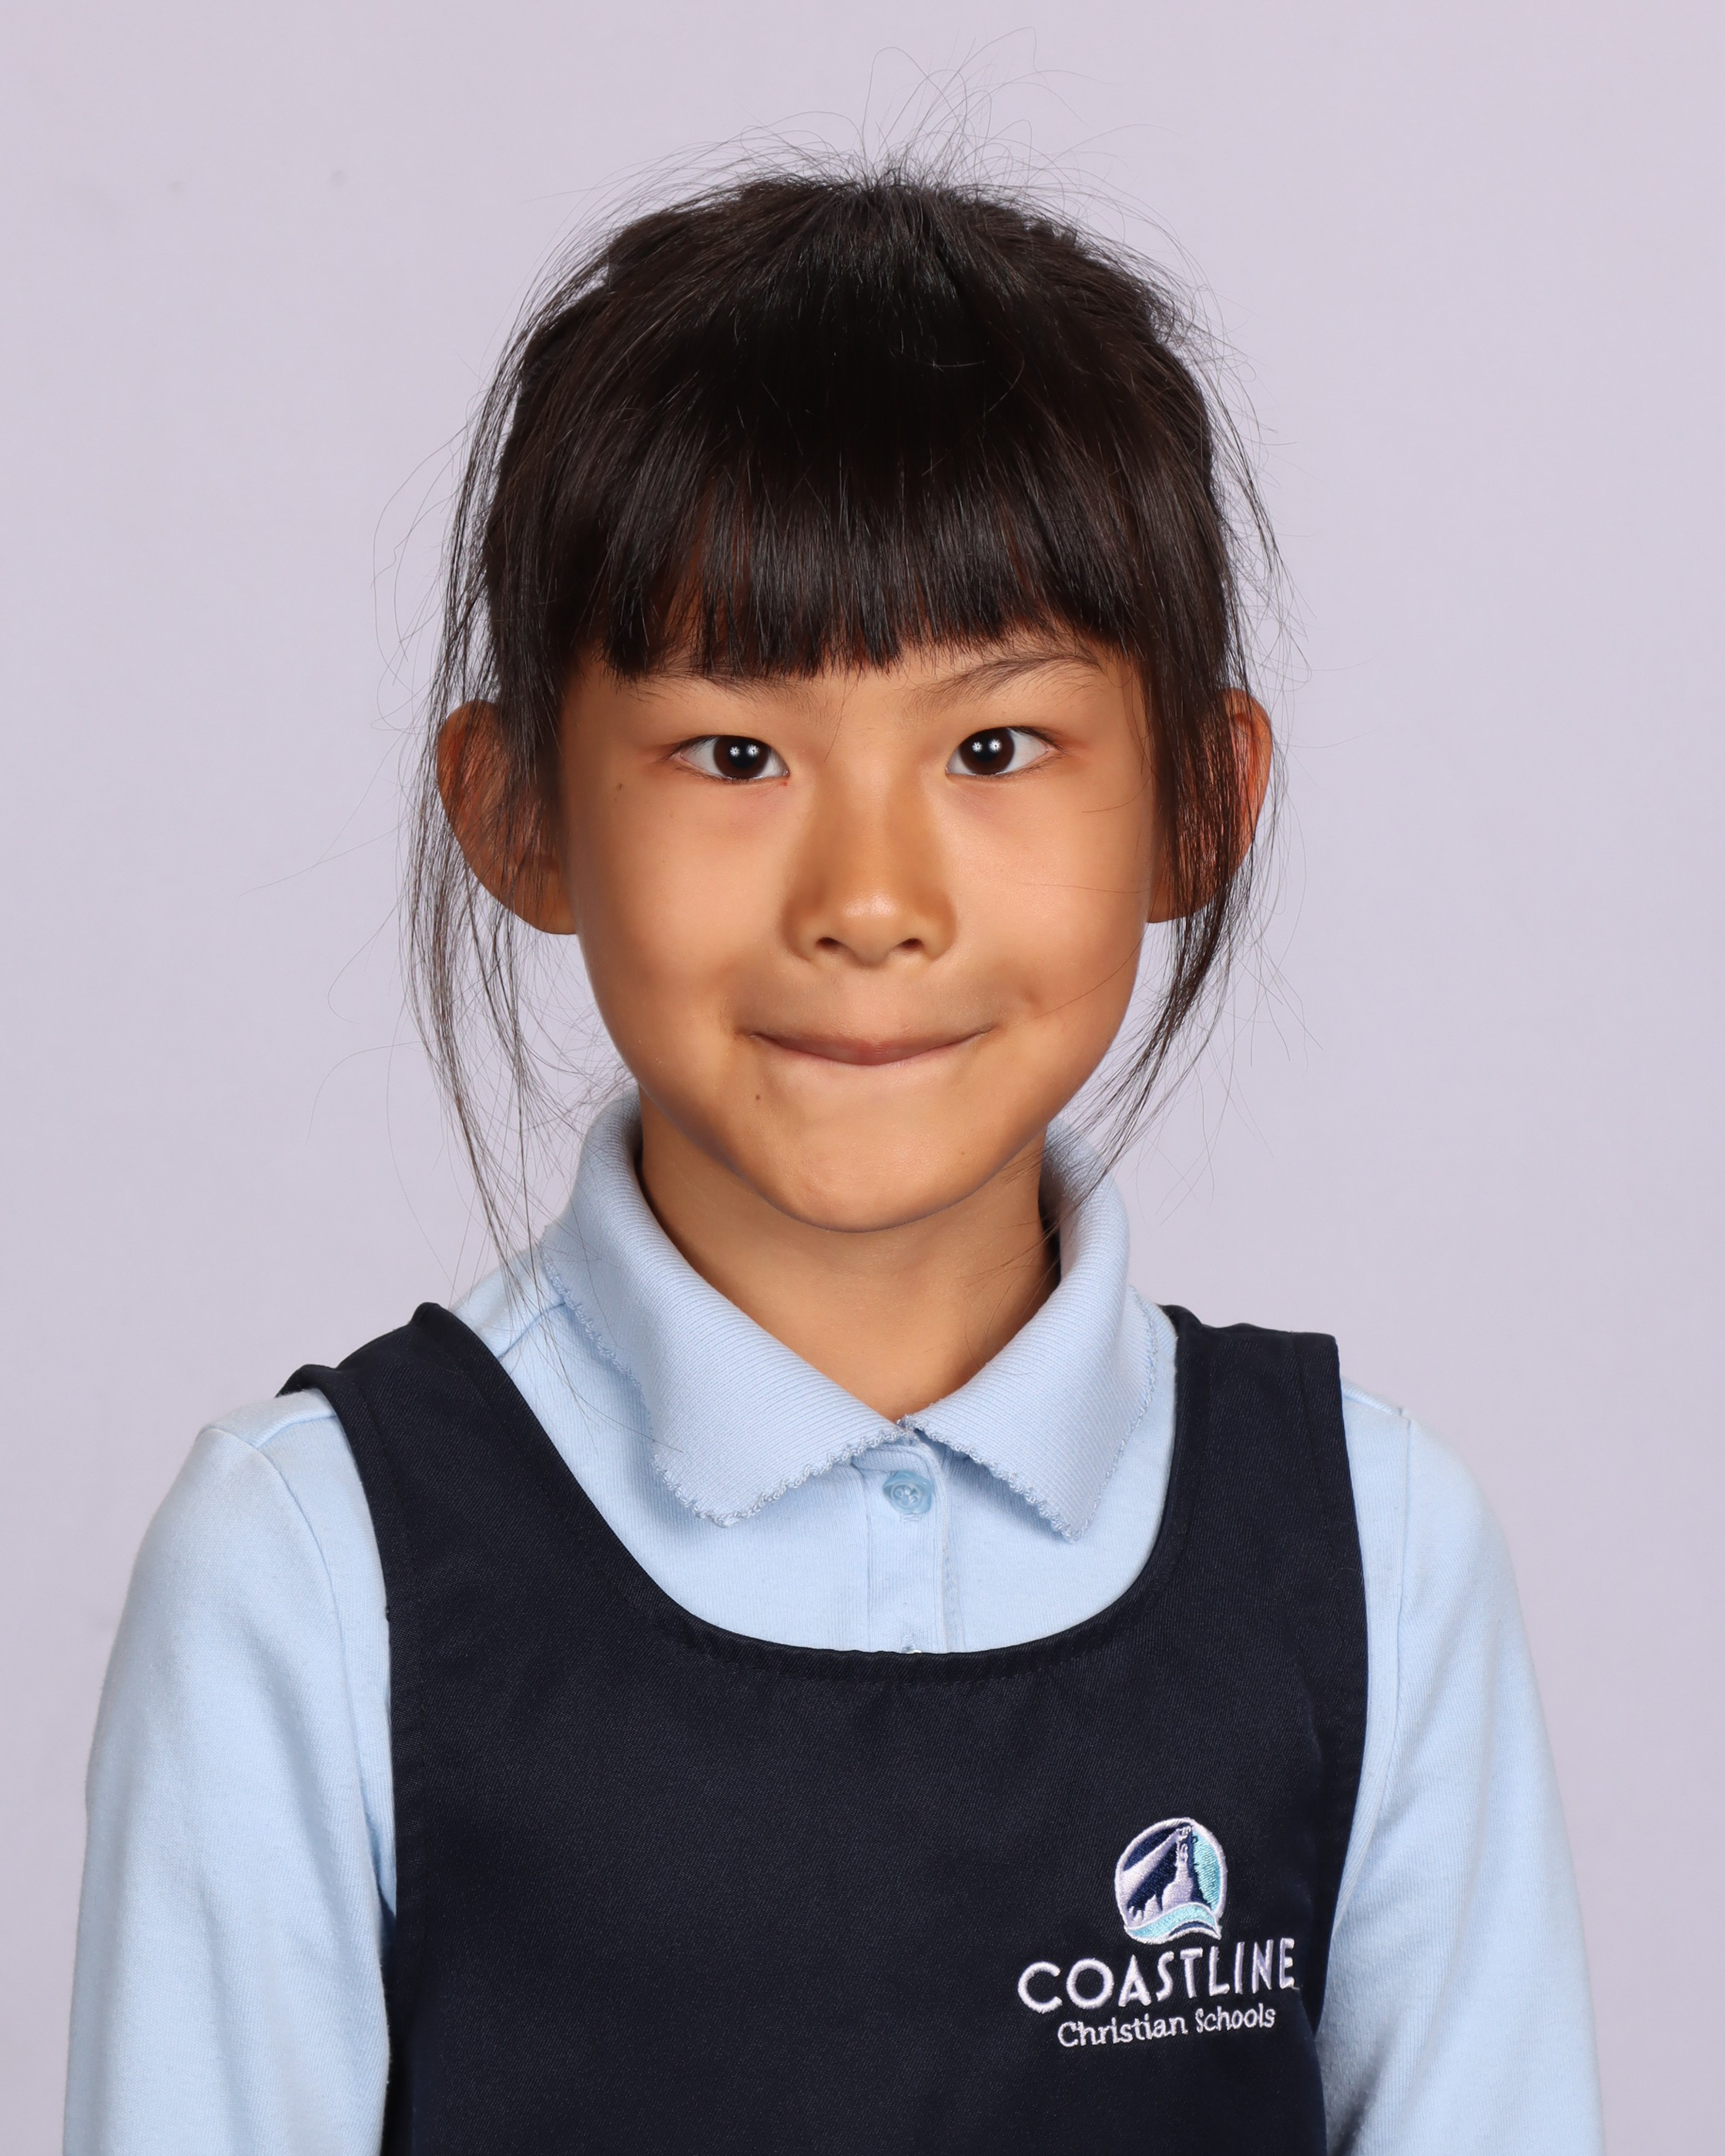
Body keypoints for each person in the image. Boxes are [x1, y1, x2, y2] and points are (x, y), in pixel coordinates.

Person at [63, 166, 1604, 2154]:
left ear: (1197, 805)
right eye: (735, 754)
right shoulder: (307, 1570)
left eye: (994, 749)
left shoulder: (1374, 1554)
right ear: (517, 811)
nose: (869, 901)